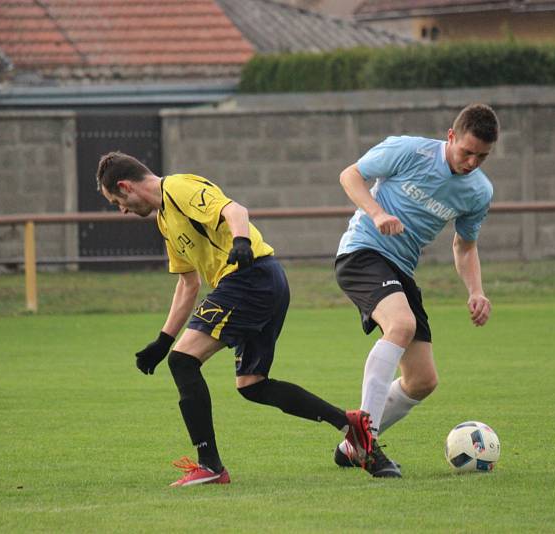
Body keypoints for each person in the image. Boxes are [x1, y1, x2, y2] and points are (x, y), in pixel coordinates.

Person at [95, 152, 376, 487]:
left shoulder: (179, 188)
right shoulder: (165, 219)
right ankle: (349, 425)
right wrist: (163, 340)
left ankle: (210, 466)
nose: (122, 210)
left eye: (117, 201)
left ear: (125, 186)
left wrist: (241, 241)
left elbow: (234, 210)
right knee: (253, 386)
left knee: (184, 362)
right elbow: (188, 283)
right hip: (260, 281)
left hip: (249, 278)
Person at [332, 103, 499, 477]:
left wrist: (476, 290)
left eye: (482, 156)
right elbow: (351, 175)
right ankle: (368, 444)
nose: (472, 162)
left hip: (400, 270)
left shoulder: (479, 191)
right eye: (466, 152)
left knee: (423, 381)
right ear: (451, 136)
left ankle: (351, 446)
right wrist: (376, 213)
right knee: (402, 325)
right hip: (362, 251)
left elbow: (465, 245)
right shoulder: (410, 150)